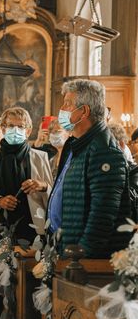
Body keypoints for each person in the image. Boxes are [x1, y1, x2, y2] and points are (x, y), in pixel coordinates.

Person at [48, 79, 131, 257]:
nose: (62, 108)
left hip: (83, 260)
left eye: (67, 104)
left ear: (83, 112)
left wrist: (80, 257)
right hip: (67, 248)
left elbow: (102, 216)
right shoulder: (76, 145)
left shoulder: (104, 150)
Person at [0, 107, 53, 241]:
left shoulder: (40, 157)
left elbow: (53, 197)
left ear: (28, 131)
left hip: (32, 230)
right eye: (10, 126)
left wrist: (43, 186)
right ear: (3, 129)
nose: (15, 130)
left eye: (20, 126)